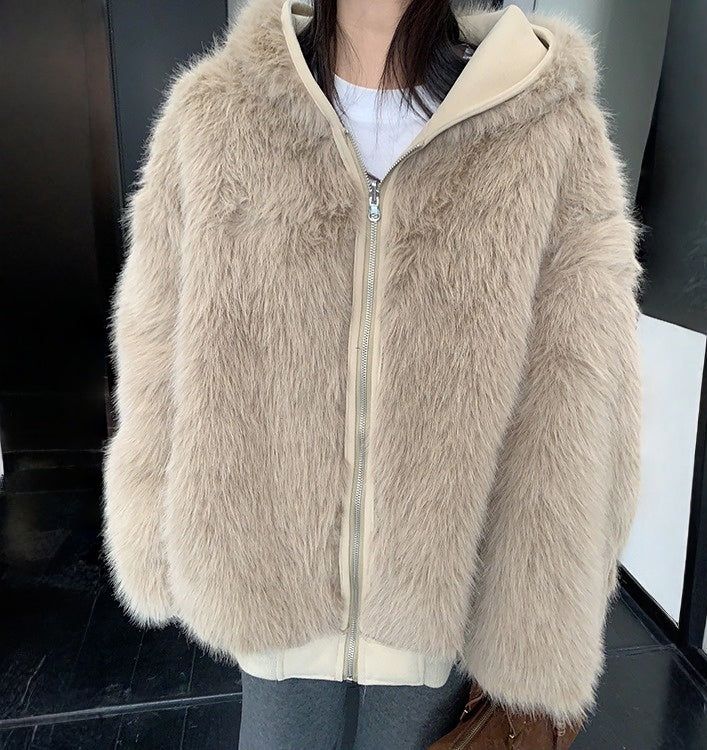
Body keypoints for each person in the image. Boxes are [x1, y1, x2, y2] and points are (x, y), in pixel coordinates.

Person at [101, 0, 646, 748]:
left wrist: (545, 597)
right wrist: (149, 517)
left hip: (438, 598)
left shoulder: (542, 124)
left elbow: (584, 379)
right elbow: (155, 340)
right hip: (270, 582)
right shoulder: (217, 116)